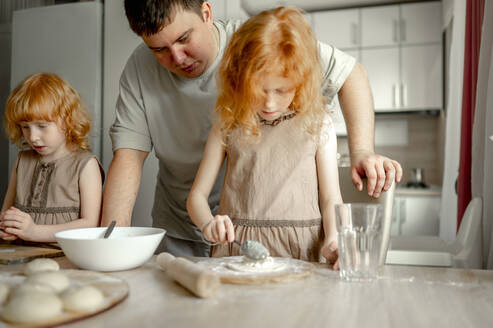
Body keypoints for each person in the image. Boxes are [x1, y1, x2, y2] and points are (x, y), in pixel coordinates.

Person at [103, 0, 402, 257]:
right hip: (187, 229)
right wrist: (109, 245)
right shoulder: (143, 72)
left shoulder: (257, 45)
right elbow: (128, 156)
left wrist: (362, 150)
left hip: (288, 242)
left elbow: (350, 73)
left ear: (206, 13)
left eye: (184, 38)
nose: (177, 58)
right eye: (160, 49)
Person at [187, 6, 342, 264]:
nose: (269, 103)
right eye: (258, 91)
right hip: (238, 250)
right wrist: (208, 224)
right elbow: (196, 197)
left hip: (302, 249)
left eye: (282, 91)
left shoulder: (319, 124)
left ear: (301, 81)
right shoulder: (227, 123)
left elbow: (331, 198)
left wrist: (335, 237)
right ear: (238, 80)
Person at [0, 73, 104, 243]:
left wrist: (35, 232)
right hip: (19, 253)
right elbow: (6, 214)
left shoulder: (86, 165)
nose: (32, 137)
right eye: (25, 127)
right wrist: (6, 228)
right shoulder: (22, 160)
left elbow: (90, 225)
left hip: (65, 256)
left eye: (42, 126)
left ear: (68, 120)